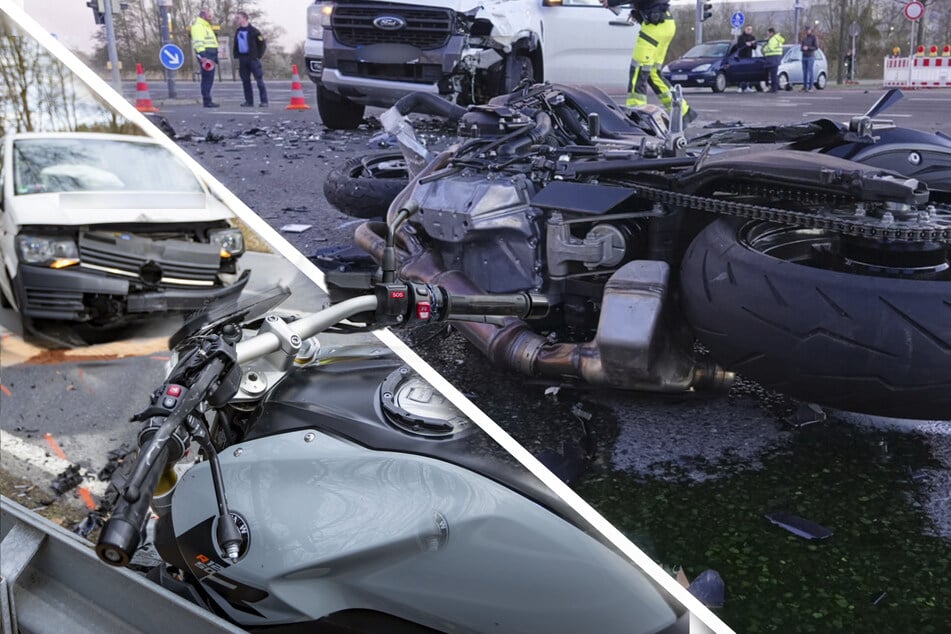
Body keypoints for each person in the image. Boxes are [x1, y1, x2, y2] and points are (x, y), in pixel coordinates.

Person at [601, 0, 697, 124]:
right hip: (664, 23)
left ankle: (636, 115)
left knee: (638, 71)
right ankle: (683, 112)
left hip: (655, 27)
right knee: (653, 74)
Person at [233, 12, 268, 107]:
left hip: (252, 58)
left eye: (238, 18)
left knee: (259, 80)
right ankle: (249, 101)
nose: (237, 20)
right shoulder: (238, 31)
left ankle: (264, 101)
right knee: (245, 81)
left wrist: (258, 55)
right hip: (242, 58)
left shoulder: (254, 31)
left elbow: (262, 44)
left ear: (245, 18)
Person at [191, 7, 219, 108]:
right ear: (203, 16)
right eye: (209, 15)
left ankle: (208, 100)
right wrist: (202, 56)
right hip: (206, 55)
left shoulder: (206, 26)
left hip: (210, 55)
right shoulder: (198, 26)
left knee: (209, 78)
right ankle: (207, 101)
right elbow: (198, 42)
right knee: (207, 78)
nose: (211, 17)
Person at [733, 25, 757, 92]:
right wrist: (746, 44)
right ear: (745, 29)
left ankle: (748, 87)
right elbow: (739, 46)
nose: (749, 30)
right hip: (741, 57)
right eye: (748, 29)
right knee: (741, 72)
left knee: (748, 72)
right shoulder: (741, 37)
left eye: (750, 29)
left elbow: (755, 47)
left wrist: (751, 44)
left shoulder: (752, 37)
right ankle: (740, 87)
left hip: (749, 57)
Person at [763, 27, 785, 93]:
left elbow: (770, 48)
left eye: (768, 33)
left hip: (772, 58)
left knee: (773, 75)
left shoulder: (773, 39)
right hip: (775, 58)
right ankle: (774, 88)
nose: (767, 34)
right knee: (774, 74)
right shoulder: (777, 38)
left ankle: (774, 89)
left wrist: (764, 47)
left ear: (771, 33)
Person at [799, 25, 819, 91]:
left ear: (810, 30)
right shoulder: (804, 38)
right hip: (804, 56)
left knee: (810, 72)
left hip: (810, 56)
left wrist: (808, 48)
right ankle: (805, 86)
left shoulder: (813, 37)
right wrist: (803, 48)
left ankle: (811, 87)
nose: (807, 31)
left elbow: (816, 47)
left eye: (808, 30)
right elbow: (801, 48)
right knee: (804, 72)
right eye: (806, 30)